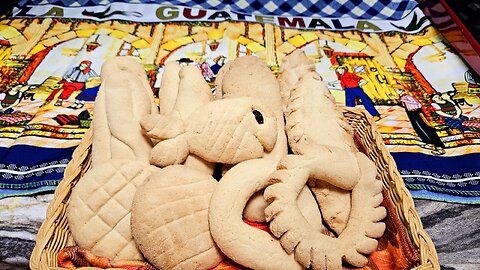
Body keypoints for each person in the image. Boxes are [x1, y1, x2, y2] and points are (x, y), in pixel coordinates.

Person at [394, 86, 445, 155]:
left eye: (396, 89)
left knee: (426, 127)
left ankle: (439, 147)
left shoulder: (407, 96)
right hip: (411, 112)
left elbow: (416, 103)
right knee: (417, 127)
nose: (395, 91)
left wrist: (402, 99)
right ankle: (428, 142)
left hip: (417, 112)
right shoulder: (402, 97)